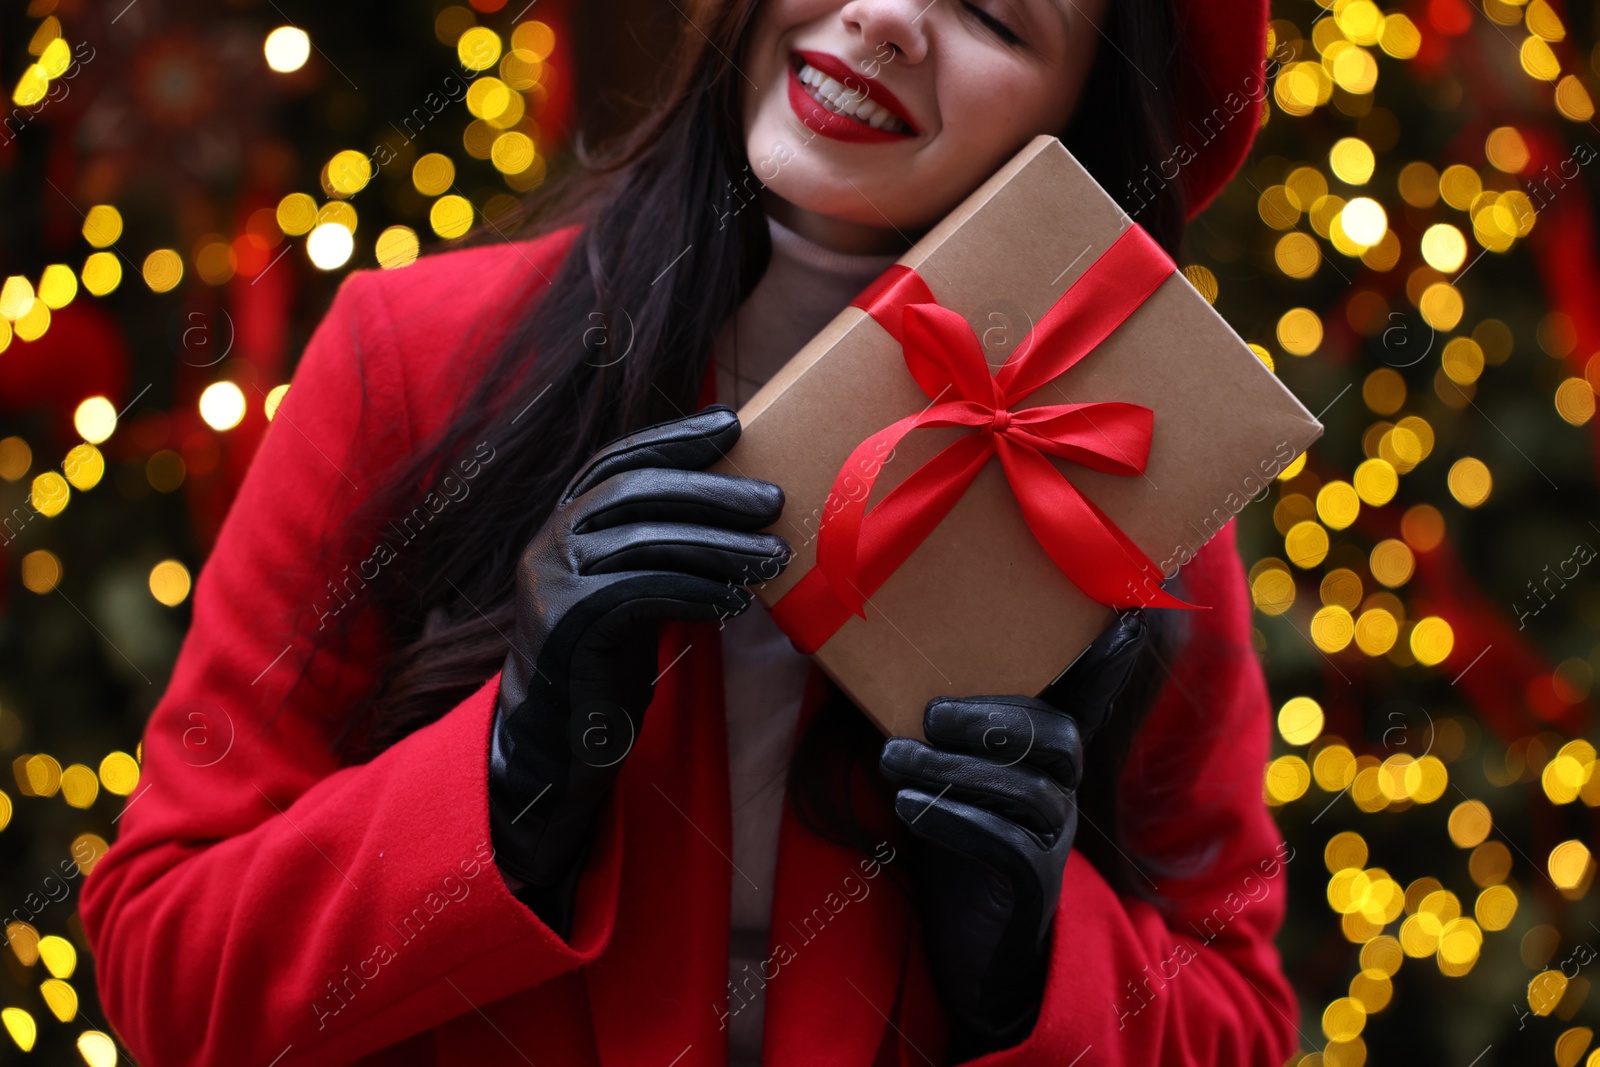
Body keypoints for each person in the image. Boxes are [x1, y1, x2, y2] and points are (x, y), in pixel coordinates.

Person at [78, 0, 1300, 1063]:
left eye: (991, 13)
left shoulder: (1109, 477)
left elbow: (1238, 1020)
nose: (885, 15)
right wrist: (507, 776)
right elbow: (163, 966)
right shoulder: (413, 357)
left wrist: (1035, 972)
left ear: (1078, 122)